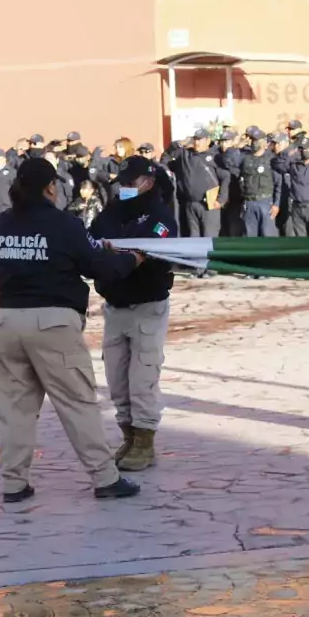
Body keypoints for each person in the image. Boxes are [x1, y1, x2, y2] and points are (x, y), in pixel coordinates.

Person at [0, 158, 145, 503]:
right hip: (53, 323)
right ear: (50, 187)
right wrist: (133, 258)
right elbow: (99, 266)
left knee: (15, 409)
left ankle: (14, 483)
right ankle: (104, 478)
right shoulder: (65, 225)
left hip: (7, 322)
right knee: (78, 403)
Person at [88, 156, 177, 471]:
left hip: (146, 306)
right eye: (122, 182)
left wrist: (123, 257)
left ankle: (144, 443)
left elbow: (152, 250)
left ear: (148, 183)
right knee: (116, 379)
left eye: (130, 183)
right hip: (115, 306)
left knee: (143, 378)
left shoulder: (160, 217)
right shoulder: (110, 213)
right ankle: (127, 435)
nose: (124, 188)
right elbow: (92, 240)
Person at [166, 129, 229, 238]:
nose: (197, 142)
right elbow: (166, 156)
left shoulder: (215, 157)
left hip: (209, 205)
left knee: (209, 238)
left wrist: (221, 199)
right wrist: (179, 143)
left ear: (208, 141)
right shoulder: (185, 155)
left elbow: (226, 177)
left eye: (200, 139)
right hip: (190, 205)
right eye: (195, 139)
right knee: (193, 239)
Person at [239, 128, 279, 237]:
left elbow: (278, 184)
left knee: (268, 237)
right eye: (252, 139)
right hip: (249, 202)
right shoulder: (245, 158)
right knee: (249, 237)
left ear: (265, 143)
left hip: (265, 202)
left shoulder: (271, 159)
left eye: (257, 140)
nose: (254, 142)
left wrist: (276, 204)